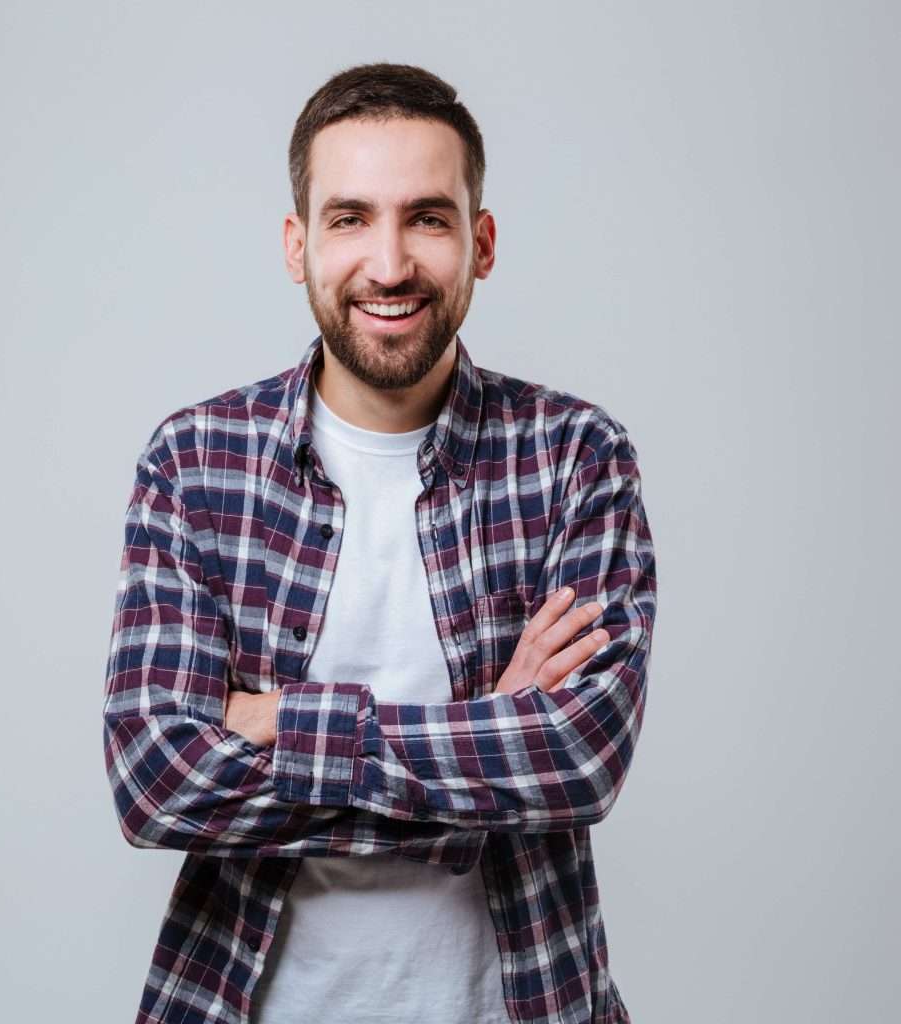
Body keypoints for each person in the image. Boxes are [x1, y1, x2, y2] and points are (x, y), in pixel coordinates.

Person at [103, 62, 658, 1024]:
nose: (390, 264)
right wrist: (486, 741)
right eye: (351, 218)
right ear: (298, 245)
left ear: (482, 243)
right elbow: (157, 782)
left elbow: (577, 757)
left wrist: (278, 720)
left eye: (428, 219)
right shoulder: (195, 464)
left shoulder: (576, 456)